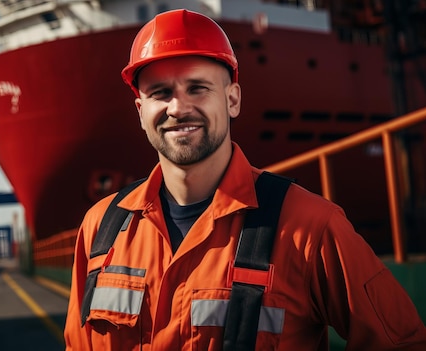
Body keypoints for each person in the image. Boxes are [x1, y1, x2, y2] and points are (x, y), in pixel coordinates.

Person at [64, 9, 426, 350]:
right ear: (142, 112)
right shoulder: (100, 228)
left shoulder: (309, 228)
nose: (178, 107)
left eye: (197, 88)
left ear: (233, 99)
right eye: (161, 93)